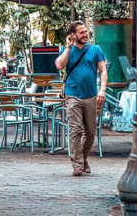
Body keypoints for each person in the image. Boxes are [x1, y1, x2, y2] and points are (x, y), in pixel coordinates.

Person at [55, 21, 107, 177]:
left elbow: (103, 71)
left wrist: (102, 89)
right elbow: (59, 65)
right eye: (81, 32)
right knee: (75, 130)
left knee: (90, 132)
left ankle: (83, 158)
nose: (85, 34)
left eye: (85, 31)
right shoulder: (67, 50)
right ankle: (77, 164)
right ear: (73, 35)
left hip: (91, 95)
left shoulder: (95, 49)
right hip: (72, 95)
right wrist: (69, 47)